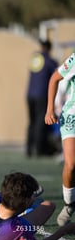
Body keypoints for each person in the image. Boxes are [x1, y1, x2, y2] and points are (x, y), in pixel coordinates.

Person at [0, 172, 75, 240]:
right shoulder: (17, 231)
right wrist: (63, 230)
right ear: (26, 201)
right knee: (48, 205)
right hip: (6, 229)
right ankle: (26, 205)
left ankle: (20, 202)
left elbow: (4, 195)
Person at [45, 52, 75, 226]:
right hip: (72, 116)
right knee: (71, 164)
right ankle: (69, 204)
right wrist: (50, 109)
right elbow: (54, 78)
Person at [26, 40, 58, 157]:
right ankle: (39, 149)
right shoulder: (48, 60)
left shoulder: (35, 59)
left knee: (32, 121)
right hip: (41, 94)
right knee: (40, 122)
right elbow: (56, 72)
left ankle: (29, 149)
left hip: (30, 94)